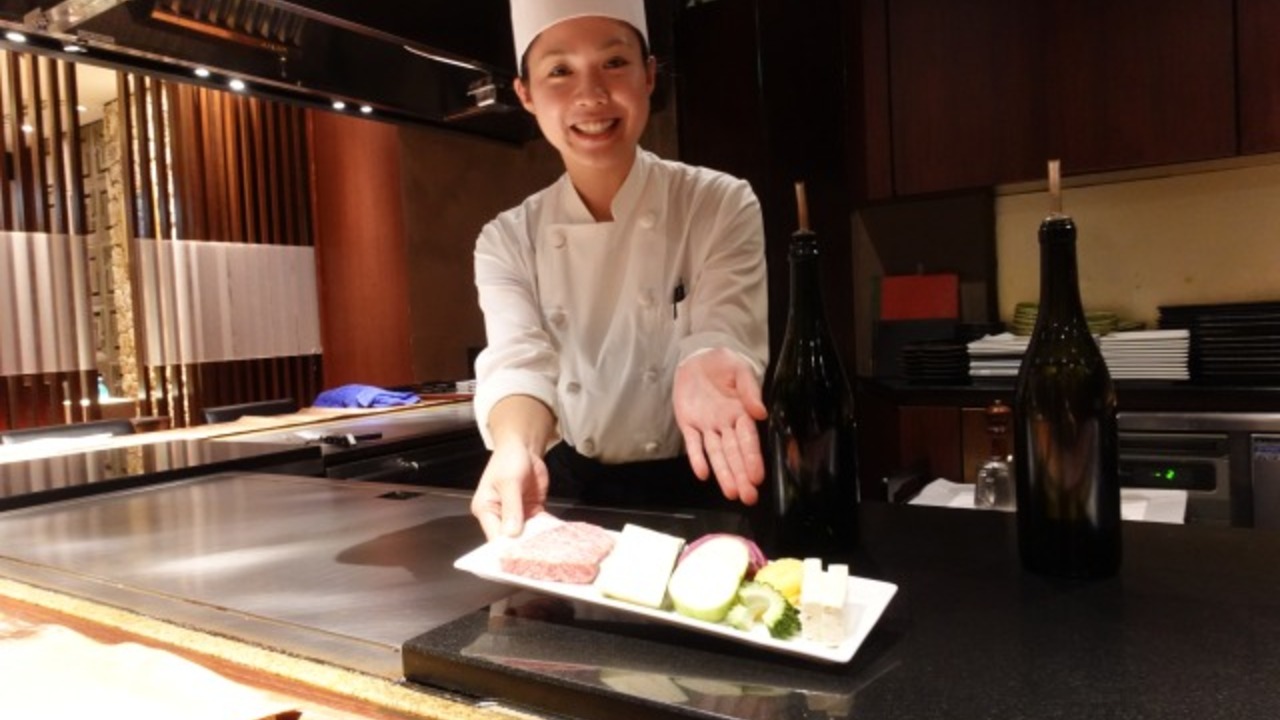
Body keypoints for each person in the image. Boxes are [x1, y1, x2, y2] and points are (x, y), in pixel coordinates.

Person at [470, 0, 769, 540]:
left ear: (650, 75)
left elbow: (724, 326)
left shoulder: (718, 202)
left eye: (614, 63)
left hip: (699, 482)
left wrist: (706, 359)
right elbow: (520, 364)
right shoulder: (506, 238)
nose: (591, 95)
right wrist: (514, 449)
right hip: (569, 491)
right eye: (560, 70)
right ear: (526, 94)